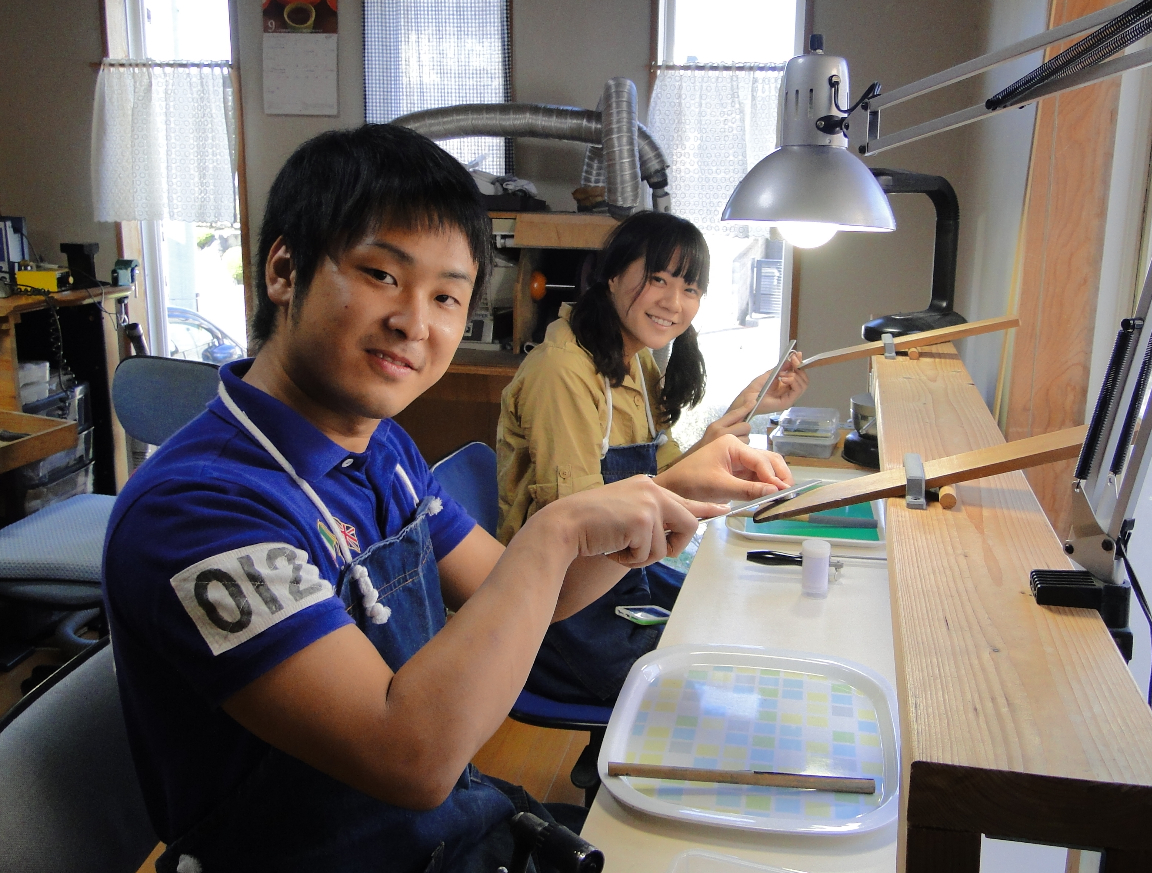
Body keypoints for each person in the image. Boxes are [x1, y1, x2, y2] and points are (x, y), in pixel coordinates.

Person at [101, 125, 794, 873]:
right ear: (284, 269)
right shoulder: (199, 510)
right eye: (381, 275)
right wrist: (555, 531)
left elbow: (535, 593)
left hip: (453, 832)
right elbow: (411, 757)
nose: (414, 322)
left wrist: (672, 492)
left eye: (446, 297)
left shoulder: (383, 449)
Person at [496, 212, 808, 705]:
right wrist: (682, 486)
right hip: (561, 616)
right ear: (613, 275)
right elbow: (576, 535)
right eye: (657, 279)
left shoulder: (636, 359)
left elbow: (666, 473)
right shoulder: (562, 372)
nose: (673, 303)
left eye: (690, 288)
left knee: (739, 616)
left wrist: (747, 406)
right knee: (721, 682)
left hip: (623, 577)